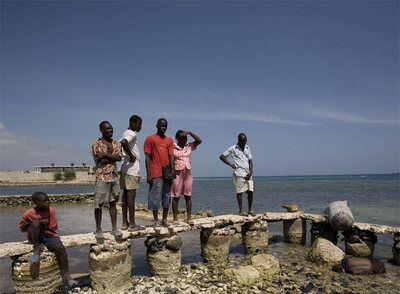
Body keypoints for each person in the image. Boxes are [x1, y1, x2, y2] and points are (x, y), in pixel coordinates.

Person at [18, 192, 78, 287]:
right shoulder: (28, 213)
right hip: (35, 237)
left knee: (60, 248)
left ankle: (67, 276)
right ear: (36, 203)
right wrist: (37, 223)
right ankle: (36, 249)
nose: (48, 202)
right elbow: (22, 229)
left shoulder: (51, 211)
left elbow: (53, 227)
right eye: (44, 201)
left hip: (49, 235)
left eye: (48, 200)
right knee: (35, 224)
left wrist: (44, 224)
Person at [91, 121, 122, 241]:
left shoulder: (116, 143)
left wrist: (105, 155)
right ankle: (98, 229)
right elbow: (99, 161)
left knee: (113, 202)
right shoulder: (96, 144)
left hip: (114, 175)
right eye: (107, 129)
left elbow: (119, 158)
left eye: (111, 129)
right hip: (102, 176)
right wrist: (111, 157)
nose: (110, 131)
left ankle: (114, 228)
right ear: (101, 130)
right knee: (98, 204)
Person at [144, 118, 174, 228]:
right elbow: (147, 157)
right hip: (155, 172)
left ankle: (164, 219)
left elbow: (171, 156)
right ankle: (156, 220)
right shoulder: (150, 139)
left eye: (165, 126)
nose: (164, 128)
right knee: (155, 197)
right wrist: (148, 174)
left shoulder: (169, 140)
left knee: (166, 197)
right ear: (156, 125)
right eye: (161, 125)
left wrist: (172, 171)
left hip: (167, 172)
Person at [119, 115, 145, 231]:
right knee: (131, 196)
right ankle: (132, 224)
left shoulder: (125, 132)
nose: (140, 127)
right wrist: (132, 156)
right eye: (139, 124)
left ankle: (125, 223)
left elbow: (122, 143)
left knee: (125, 196)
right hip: (131, 169)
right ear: (133, 123)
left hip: (125, 168)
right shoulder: (131, 133)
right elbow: (124, 143)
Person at [171, 130, 202, 225]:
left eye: (185, 137)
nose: (184, 139)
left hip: (187, 174)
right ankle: (175, 219)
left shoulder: (189, 146)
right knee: (176, 196)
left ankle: (189, 218)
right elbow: (170, 159)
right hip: (177, 173)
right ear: (177, 138)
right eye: (182, 137)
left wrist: (189, 132)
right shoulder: (173, 146)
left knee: (188, 196)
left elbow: (199, 140)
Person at [219, 133, 254, 216]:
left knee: (251, 191)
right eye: (243, 141)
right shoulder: (233, 148)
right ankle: (241, 211)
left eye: (245, 141)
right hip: (239, 173)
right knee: (240, 192)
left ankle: (250, 210)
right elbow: (222, 157)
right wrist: (230, 164)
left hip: (248, 173)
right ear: (238, 140)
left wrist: (251, 172)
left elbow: (250, 161)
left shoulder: (247, 148)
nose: (244, 143)